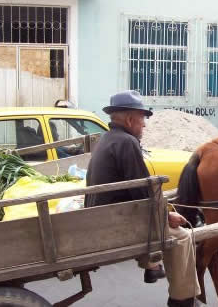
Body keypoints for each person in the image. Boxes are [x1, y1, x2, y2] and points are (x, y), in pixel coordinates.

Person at [84, 90, 201, 307]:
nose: (144, 125)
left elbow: (138, 190)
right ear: (130, 120)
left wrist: (164, 209)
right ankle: (183, 300)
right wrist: (167, 216)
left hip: (105, 215)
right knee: (182, 237)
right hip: (115, 221)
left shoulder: (108, 139)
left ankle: (152, 264)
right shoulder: (127, 142)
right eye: (142, 119)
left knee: (157, 217)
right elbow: (142, 191)